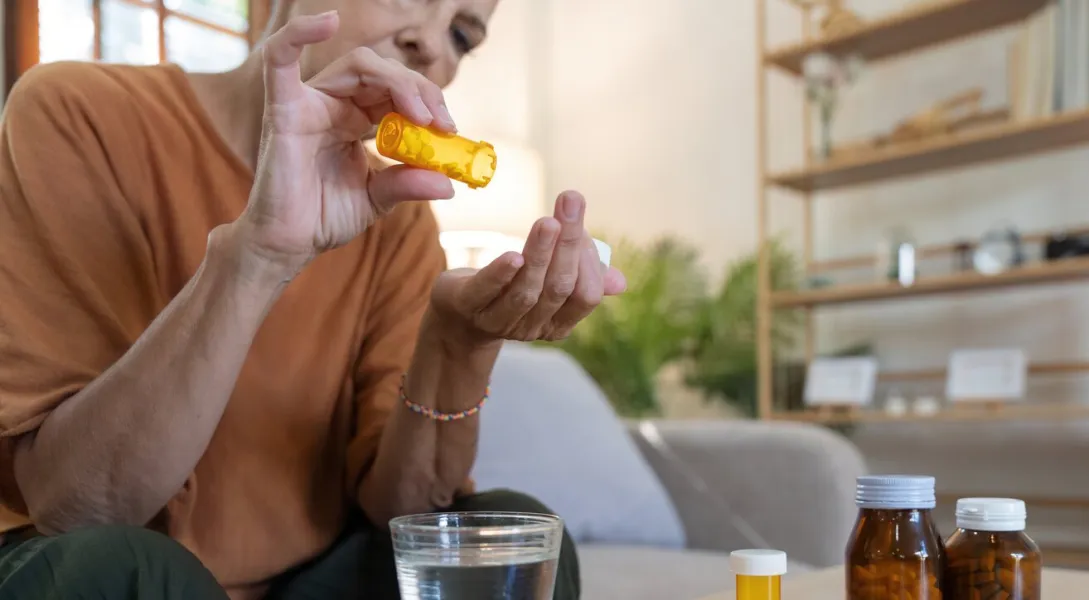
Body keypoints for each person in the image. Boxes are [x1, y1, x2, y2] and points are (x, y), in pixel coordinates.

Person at [0, 0, 623, 598]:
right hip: (87, 563)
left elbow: (403, 513)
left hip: (306, 582)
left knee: (506, 534)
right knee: (129, 566)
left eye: (462, 35)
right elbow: (77, 506)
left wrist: (458, 343)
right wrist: (260, 256)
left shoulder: (399, 220)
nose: (432, 44)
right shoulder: (77, 112)